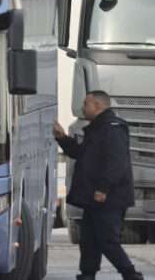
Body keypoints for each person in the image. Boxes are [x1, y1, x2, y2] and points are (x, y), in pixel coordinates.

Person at [53, 90, 143, 280]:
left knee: (108, 240)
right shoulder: (97, 127)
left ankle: (130, 274)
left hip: (108, 198)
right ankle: (87, 274)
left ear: (98, 105)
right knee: (88, 240)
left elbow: (116, 163)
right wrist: (62, 137)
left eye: (86, 104)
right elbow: (80, 153)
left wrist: (103, 188)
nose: (83, 108)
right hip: (93, 197)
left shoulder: (112, 128)